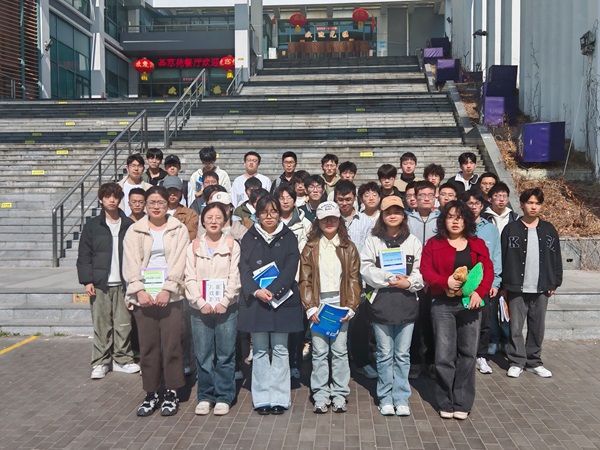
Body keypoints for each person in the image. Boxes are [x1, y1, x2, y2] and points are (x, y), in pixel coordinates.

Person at [420, 200, 494, 420]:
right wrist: (444, 282)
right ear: (444, 219)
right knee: (444, 355)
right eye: (450, 217)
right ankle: (445, 400)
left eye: (460, 217)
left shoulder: (477, 243)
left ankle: (462, 401)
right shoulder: (434, 244)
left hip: (470, 305)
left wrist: (479, 292)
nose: (455, 221)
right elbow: (426, 270)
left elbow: (488, 270)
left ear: (467, 220)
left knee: (468, 354)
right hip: (442, 305)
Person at [123, 186, 190, 417]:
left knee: (172, 345)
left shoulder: (178, 229)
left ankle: (171, 392)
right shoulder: (135, 230)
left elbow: (181, 261)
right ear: (145, 204)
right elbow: (130, 262)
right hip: (144, 296)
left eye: (160, 202)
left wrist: (168, 289)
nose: (156, 206)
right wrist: (139, 290)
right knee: (148, 346)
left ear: (167, 204)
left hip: (170, 296)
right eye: (151, 202)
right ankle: (151, 392)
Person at [238, 194, 304, 415]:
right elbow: (244, 268)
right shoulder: (250, 237)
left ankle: (279, 397)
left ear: (279, 214)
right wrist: (256, 291)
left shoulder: (289, 236)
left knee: (280, 349)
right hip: (257, 301)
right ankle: (262, 398)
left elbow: (291, 266)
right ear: (257, 214)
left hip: (281, 300)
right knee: (259, 350)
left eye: (273, 211)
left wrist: (274, 289)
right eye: (264, 212)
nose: (269, 216)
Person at [361, 196, 424, 416]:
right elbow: (366, 268)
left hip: (406, 302)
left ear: (403, 215)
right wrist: (388, 278)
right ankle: (385, 397)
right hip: (382, 303)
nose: (393, 216)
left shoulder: (413, 241)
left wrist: (410, 282)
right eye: (388, 212)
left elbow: (420, 270)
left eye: (397, 211)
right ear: (382, 215)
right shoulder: (373, 241)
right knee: (384, 354)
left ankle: (401, 397)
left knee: (403, 355)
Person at [299, 201, 360, 414]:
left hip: (340, 305)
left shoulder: (348, 247)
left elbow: (353, 278)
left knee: (340, 351)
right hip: (319, 305)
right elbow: (305, 279)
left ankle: (340, 394)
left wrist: (351, 306)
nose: (329, 222)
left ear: (339, 220)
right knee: (319, 351)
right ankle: (321, 394)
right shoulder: (310, 247)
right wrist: (310, 307)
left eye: (333, 218)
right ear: (318, 221)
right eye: (325, 219)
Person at [77, 182, 139, 379]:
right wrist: (87, 280)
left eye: (115, 196)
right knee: (102, 325)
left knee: (123, 324)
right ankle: (100, 362)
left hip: (123, 283)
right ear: (101, 199)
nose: (111, 200)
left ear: (120, 199)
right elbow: (84, 255)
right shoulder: (92, 225)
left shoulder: (129, 225)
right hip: (100, 283)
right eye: (107, 196)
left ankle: (122, 359)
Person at [185, 202, 241, 416]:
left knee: (226, 354)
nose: (214, 221)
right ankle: (206, 395)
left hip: (226, 308)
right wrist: (201, 302)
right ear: (203, 220)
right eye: (209, 217)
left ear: (225, 220)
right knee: (203, 354)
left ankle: (224, 396)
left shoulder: (232, 245)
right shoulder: (194, 246)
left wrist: (224, 301)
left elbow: (235, 276)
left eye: (218, 217)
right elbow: (189, 277)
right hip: (200, 309)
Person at [501, 188, 562, 379]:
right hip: (516, 286)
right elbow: (502, 257)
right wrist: (502, 285)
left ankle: (534, 361)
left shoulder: (549, 229)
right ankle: (517, 361)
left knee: (537, 326)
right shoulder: (511, 229)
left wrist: (555, 282)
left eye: (537, 203)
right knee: (516, 327)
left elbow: (556, 257)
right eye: (530, 203)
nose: (533, 206)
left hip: (541, 286)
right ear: (521, 204)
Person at [334, 180, 377, 379]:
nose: (344, 203)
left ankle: (361, 361)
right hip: (334, 279)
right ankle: (336, 362)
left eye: (348, 199)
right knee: (337, 321)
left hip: (359, 279)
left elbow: (371, 249)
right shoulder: (330, 219)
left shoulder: (366, 221)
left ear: (355, 198)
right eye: (340, 199)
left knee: (360, 322)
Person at [461, 189, 502, 375]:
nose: (474, 207)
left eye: (477, 203)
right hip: (462, 284)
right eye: (470, 203)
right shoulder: (459, 226)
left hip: (484, 283)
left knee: (484, 321)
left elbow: (496, 256)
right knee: (463, 320)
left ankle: (481, 355)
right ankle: (463, 354)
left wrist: (495, 282)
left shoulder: (490, 229)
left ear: (482, 205)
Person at [407, 181, 439, 379]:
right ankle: (414, 361)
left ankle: (432, 360)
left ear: (435, 197)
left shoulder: (441, 220)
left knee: (432, 321)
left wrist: (431, 277)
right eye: (421, 195)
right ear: (415, 198)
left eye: (430, 195)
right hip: (413, 279)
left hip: (435, 281)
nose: (426, 198)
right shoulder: (406, 220)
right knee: (414, 321)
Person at [164, 176, 199, 242]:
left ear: (181, 192)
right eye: (169, 190)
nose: (172, 194)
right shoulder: (156, 212)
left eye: (176, 190)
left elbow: (190, 236)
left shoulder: (190, 214)